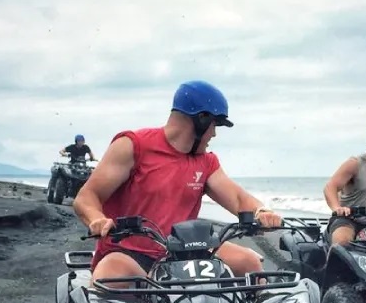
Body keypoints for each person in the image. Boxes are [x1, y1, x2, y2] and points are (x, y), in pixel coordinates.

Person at [72, 80, 282, 283]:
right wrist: (96, 219)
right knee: (110, 276)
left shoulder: (206, 162)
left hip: (184, 253)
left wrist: (261, 212)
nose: (215, 134)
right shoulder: (133, 145)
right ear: (201, 119)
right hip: (128, 253)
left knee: (249, 261)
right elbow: (87, 197)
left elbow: (237, 198)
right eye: (214, 125)